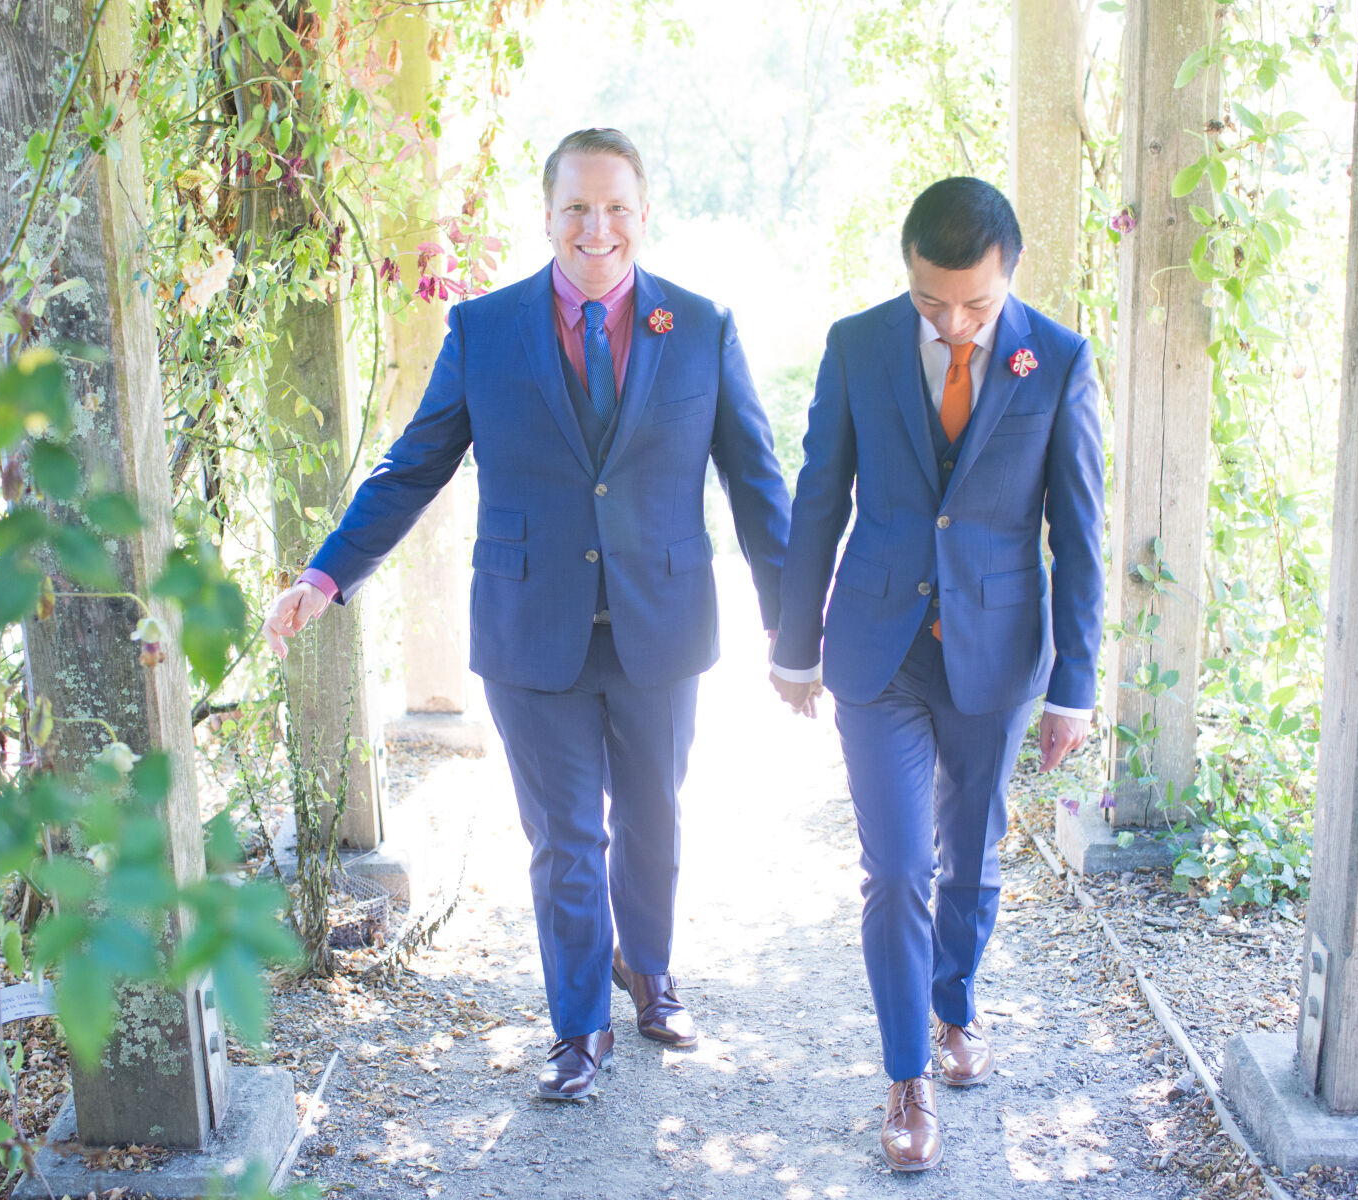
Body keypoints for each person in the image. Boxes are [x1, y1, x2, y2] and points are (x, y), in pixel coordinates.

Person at [262, 128, 791, 1103]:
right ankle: (579, 1024)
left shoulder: (704, 326)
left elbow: (755, 477)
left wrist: (790, 606)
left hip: (661, 622)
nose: (599, 228)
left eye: (617, 207)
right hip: (528, 624)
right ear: (546, 215)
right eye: (578, 208)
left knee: (652, 821)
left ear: (644, 211)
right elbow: (413, 465)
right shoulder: (486, 331)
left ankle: (653, 971)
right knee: (564, 840)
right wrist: (328, 576)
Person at [769, 177, 1104, 1172]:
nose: (953, 323)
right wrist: (795, 643)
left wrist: (1074, 684)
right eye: (931, 301)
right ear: (907, 269)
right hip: (879, 649)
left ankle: (955, 1005)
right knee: (899, 871)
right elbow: (819, 495)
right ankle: (906, 1074)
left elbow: (1077, 534)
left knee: (970, 858)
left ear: (1010, 272)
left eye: (975, 304)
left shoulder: (1063, 362)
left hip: (998, 652)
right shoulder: (857, 345)